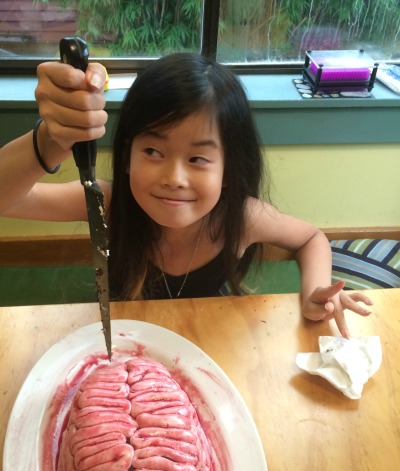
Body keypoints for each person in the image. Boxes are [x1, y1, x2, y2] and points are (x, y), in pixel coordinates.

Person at [0, 52, 373, 338]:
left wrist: (313, 291)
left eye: (197, 158)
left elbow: (311, 237)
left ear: (229, 171)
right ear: (128, 155)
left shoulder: (242, 218)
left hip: (207, 340)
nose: (174, 178)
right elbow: (8, 198)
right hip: (122, 341)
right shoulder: (109, 204)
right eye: (153, 152)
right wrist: (50, 141)